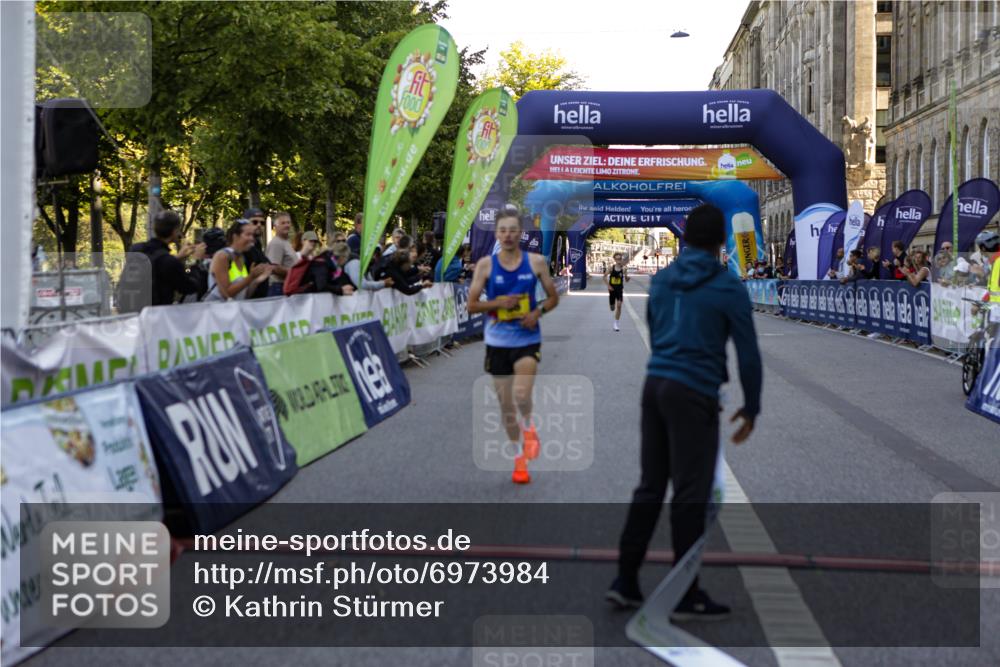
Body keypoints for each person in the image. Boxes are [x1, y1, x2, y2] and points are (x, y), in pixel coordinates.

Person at [607, 204, 761, 620]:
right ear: (720, 242)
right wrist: (751, 406)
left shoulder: (662, 280)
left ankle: (625, 579)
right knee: (691, 493)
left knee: (651, 485)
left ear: (686, 238)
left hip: (656, 384)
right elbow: (747, 352)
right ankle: (685, 593)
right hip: (695, 391)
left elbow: (657, 329)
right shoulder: (728, 287)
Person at [467, 205, 559, 484]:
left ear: (520, 233)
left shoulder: (536, 262)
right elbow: (472, 305)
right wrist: (497, 304)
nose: (507, 235)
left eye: (512, 230)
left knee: (521, 395)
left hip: (527, 338)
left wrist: (537, 313)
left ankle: (528, 426)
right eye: (502, 230)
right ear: (496, 234)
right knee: (506, 407)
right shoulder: (486, 265)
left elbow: (553, 297)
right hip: (497, 341)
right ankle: (519, 458)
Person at [119, 210, 205, 310]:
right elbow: (189, 288)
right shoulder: (168, 262)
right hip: (156, 315)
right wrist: (196, 260)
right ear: (174, 231)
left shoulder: (136, 249)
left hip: (132, 313)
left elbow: (157, 265)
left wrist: (177, 258)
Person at [204, 220, 273, 301]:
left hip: (234, 308)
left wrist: (257, 280)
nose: (252, 239)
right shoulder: (222, 256)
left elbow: (243, 294)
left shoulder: (241, 257)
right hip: (216, 307)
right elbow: (227, 293)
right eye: (248, 234)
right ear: (235, 236)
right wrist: (251, 277)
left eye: (253, 235)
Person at [243, 207, 274, 298]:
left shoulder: (257, 244)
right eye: (254, 222)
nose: (259, 225)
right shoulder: (242, 248)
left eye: (262, 223)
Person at [265, 212, 296, 296]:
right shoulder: (276, 243)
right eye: (283, 223)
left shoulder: (286, 242)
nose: (286, 225)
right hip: (278, 287)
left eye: (288, 222)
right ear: (275, 226)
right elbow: (274, 267)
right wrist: (295, 273)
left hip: (286, 286)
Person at [603, 252, 629, 332]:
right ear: (614, 259)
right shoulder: (611, 268)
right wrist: (608, 286)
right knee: (612, 308)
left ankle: (616, 324)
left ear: (621, 259)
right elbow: (604, 277)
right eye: (617, 259)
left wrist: (627, 277)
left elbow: (626, 280)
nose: (618, 260)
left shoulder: (624, 269)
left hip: (619, 289)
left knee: (619, 305)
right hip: (612, 289)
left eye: (620, 259)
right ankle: (612, 305)